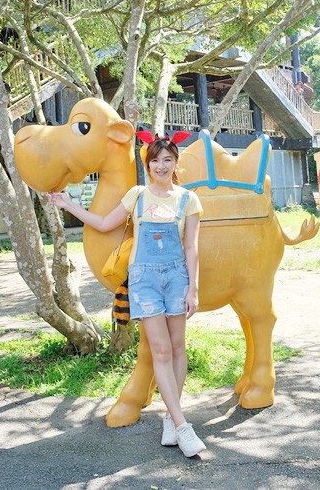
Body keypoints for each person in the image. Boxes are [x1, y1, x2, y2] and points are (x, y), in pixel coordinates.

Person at [48, 134, 207, 457]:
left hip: (177, 278)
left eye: (167, 160)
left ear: (175, 163)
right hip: (144, 280)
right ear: (147, 164)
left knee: (178, 348)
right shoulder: (137, 196)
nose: (161, 166)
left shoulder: (188, 199)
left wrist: (193, 287)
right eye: (154, 160)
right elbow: (105, 223)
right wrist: (68, 205)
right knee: (160, 351)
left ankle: (169, 417)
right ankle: (182, 426)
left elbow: (191, 247)